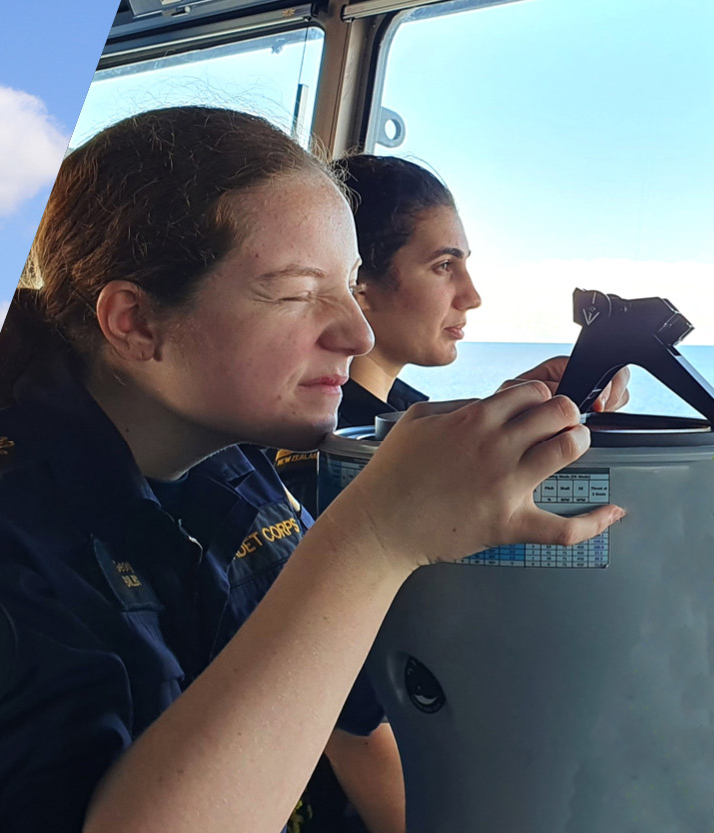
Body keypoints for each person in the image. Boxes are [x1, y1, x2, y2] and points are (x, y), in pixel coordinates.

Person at [0, 106, 625, 833]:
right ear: (135, 323)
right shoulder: (22, 557)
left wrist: (510, 426)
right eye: (299, 293)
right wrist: (373, 540)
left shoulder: (225, 453)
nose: (357, 332)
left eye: (350, 284)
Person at [275, 154, 629, 516]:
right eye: (443, 266)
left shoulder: (404, 421)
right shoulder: (326, 453)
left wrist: (507, 417)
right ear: (358, 283)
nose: (471, 297)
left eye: (463, 264)